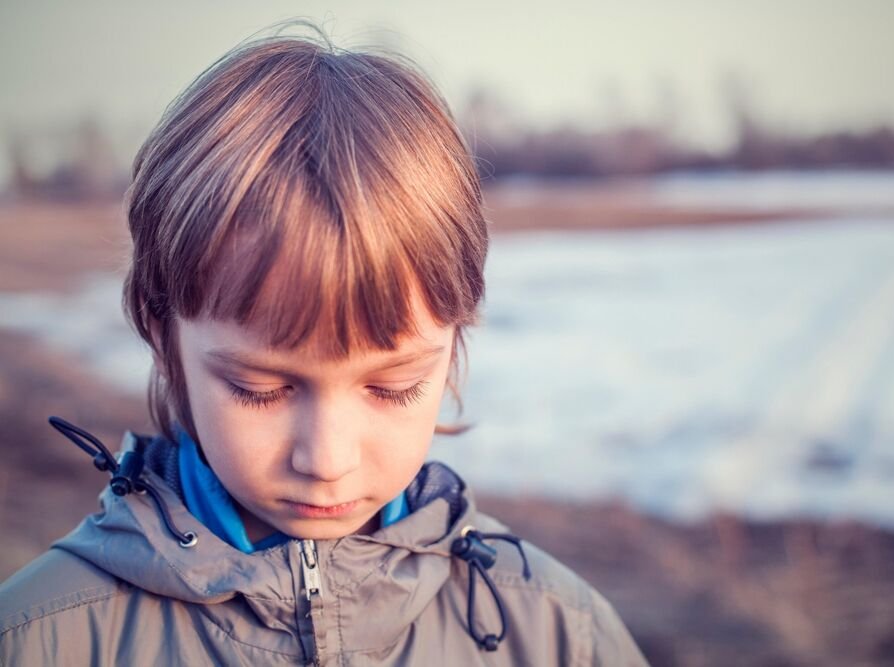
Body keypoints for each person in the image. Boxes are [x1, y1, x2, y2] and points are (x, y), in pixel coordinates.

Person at [0, 22, 648, 666]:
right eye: (263, 389)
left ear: (454, 341)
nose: (328, 459)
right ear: (160, 329)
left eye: (392, 386)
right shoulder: (41, 638)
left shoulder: (558, 635)